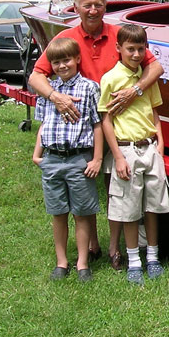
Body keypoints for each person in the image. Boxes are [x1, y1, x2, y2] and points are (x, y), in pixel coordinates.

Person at [28, 0, 164, 271]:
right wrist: (56, 96)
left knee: (114, 187)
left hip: (114, 126)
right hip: (79, 128)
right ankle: (91, 246)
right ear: (75, 8)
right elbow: (36, 77)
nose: (92, 10)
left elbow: (155, 67)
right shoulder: (65, 38)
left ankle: (115, 247)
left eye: (98, 4)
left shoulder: (118, 34)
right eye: (86, 5)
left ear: (106, 6)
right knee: (85, 188)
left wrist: (135, 90)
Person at [99, 24, 169, 285]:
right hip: (126, 150)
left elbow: (154, 112)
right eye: (131, 49)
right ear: (118, 49)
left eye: (141, 49)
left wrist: (160, 144)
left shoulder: (147, 78)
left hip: (150, 148)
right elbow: (106, 120)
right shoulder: (110, 79)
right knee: (129, 209)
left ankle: (152, 256)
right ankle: (133, 261)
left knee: (152, 206)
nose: (137, 54)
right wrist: (117, 155)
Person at [32, 38, 103, 282]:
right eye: (56, 62)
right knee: (58, 212)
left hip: (78, 160)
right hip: (53, 159)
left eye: (66, 60)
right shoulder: (48, 89)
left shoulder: (89, 88)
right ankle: (61, 261)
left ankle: (83, 262)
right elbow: (43, 124)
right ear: (50, 65)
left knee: (82, 213)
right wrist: (37, 153)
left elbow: (97, 124)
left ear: (77, 60)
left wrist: (96, 159)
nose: (62, 66)